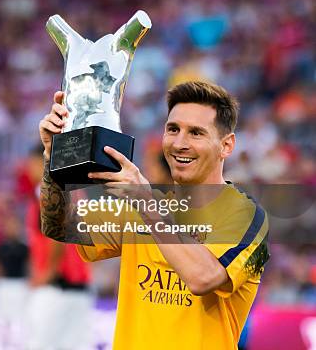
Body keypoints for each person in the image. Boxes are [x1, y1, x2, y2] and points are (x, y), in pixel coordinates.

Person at [38, 81, 269, 349]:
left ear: (226, 146)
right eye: (173, 129)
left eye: (196, 133)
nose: (180, 143)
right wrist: (53, 158)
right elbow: (59, 226)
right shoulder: (142, 203)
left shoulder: (247, 216)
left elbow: (203, 278)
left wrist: (146, 204)